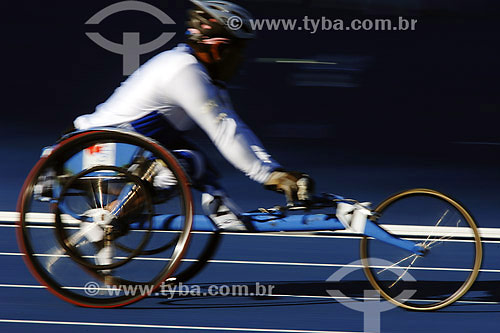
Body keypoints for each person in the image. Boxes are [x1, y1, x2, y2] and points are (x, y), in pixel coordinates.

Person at [71, 0, 313, 231]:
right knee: (182, 163)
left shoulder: (199, 74)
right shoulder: (184, 69)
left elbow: (236, 128)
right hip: (94, 152)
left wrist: (274, 170)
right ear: (219, 49)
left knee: (193, 160)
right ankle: (112, 217)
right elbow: (224, 130)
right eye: (239, 51)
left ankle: (216, 205)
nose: (241, 61)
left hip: (118, 151)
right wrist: (267, 175)